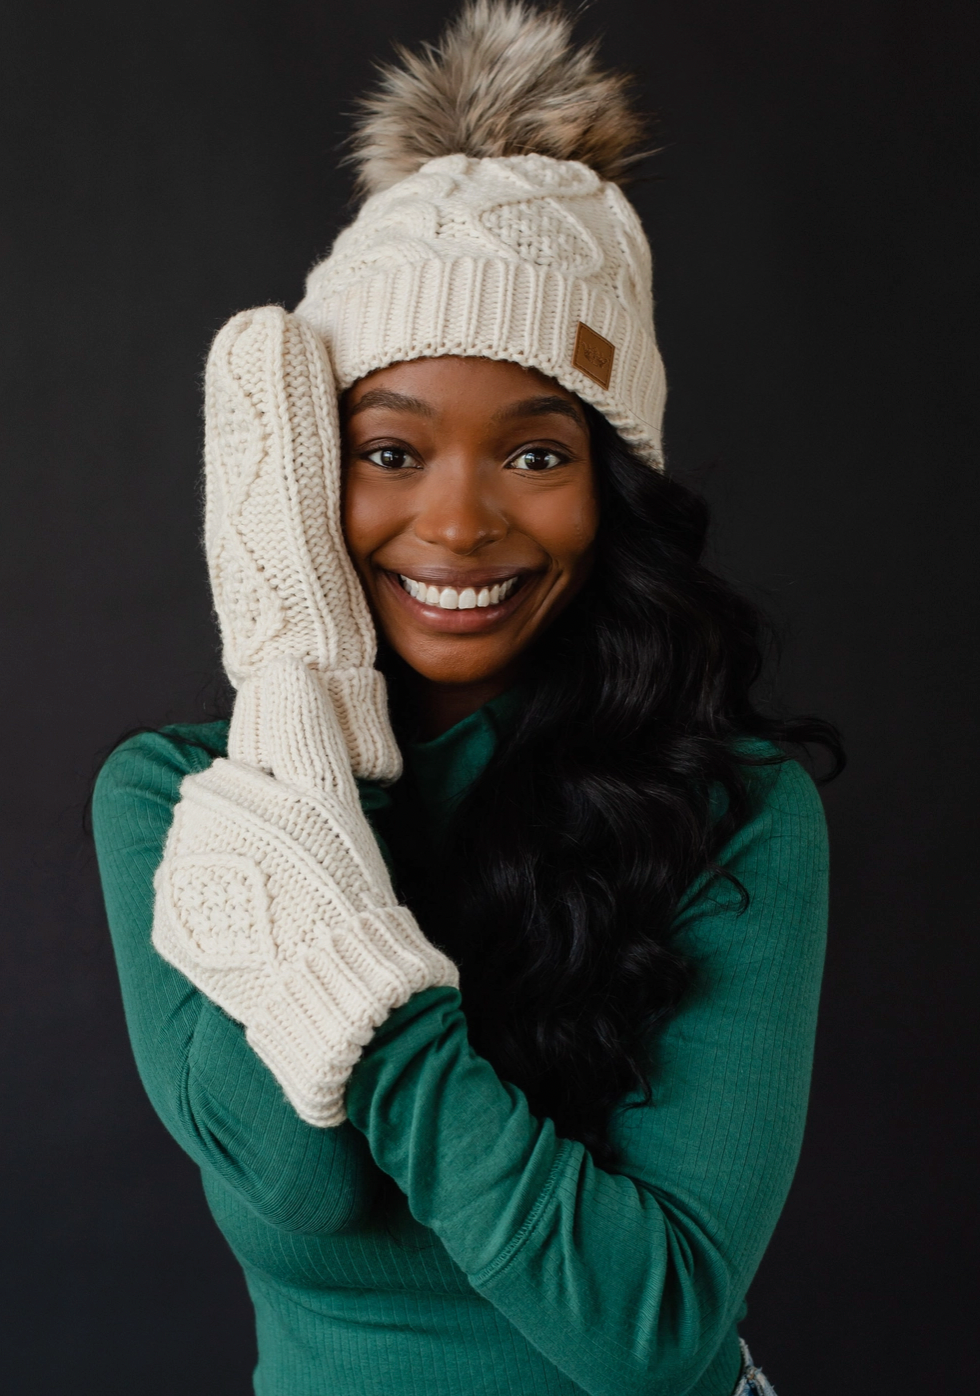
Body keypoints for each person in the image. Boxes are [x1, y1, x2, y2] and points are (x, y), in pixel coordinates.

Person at [92, 4, 841, 1393]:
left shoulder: (730, 812)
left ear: (610, 494)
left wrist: (360, 999)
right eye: (388, 449)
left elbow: (649, 1330)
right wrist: (304, 713)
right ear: (310, 472)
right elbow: (303, 1183)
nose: (457, 522)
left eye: (537, 455)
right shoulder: (181, 805)